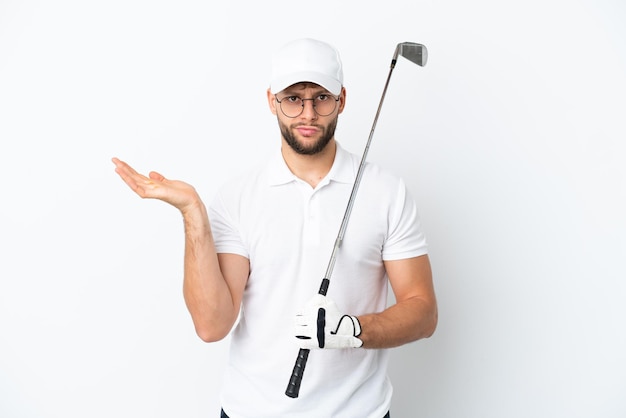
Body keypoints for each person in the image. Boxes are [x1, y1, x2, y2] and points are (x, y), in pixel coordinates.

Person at [112, 38, 437, 418]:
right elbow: (211, 325)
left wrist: (353, 329)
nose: (308, 114)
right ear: (272, 101)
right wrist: (192, 213)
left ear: (342, 100)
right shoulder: (238, 196)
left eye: (322, 98)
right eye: (293, 98)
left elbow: (423, 311)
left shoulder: (387, 192)